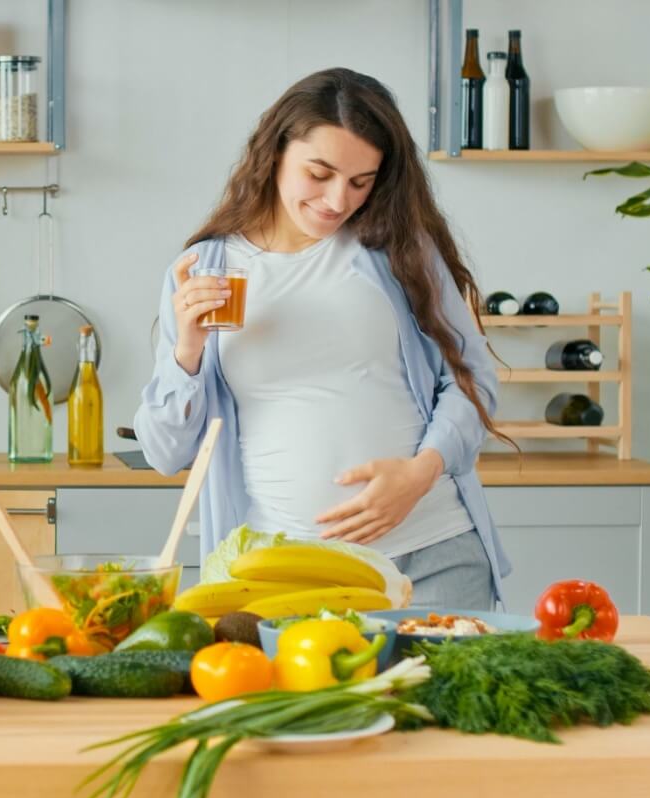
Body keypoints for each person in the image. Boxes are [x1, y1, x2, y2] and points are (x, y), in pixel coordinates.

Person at [134, 67, 511, 610]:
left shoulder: (398, 252)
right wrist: (187, 353)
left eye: (361, 181)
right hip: (285, 577)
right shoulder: (206, 269)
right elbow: (165, 452)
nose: (338, 200)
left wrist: (418, 473)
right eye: (320, 172)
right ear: (275, 152)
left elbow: (472, 379)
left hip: (432, 556)